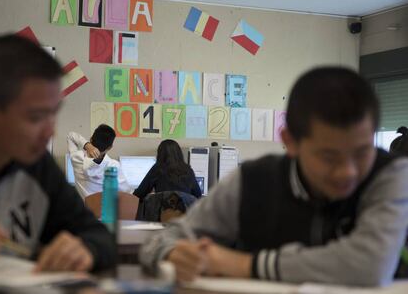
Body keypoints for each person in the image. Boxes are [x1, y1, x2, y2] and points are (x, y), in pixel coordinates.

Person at [139, 67, 408, 287]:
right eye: (329, 157)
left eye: (362, 152)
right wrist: (173, 253)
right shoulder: (252, 180)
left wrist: (245, 265)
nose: (347, 171)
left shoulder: (390, 174)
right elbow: (161, 240)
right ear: (289, 141)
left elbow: (370, 264)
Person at [0, 34, 116, 272]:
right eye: (35, 117)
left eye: (53, 113)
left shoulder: (38, 167)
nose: (50, 132)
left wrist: (86, 249)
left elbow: (101, 238)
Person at [67, 125, 133, 199]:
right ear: (110, 147)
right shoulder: (114, 167)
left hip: (84, 209)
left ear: (91, 139)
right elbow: (128, 192)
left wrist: (87, 145)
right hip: (106, 209)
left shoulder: (77, 159)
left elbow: (71, 136)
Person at [133, 139, 202, 200]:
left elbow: (139, 194)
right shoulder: (188, 170)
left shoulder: (157, 169)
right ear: (179, 154)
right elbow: (198, 195)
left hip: (162, 213)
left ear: (160, 154)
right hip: (185, 214)